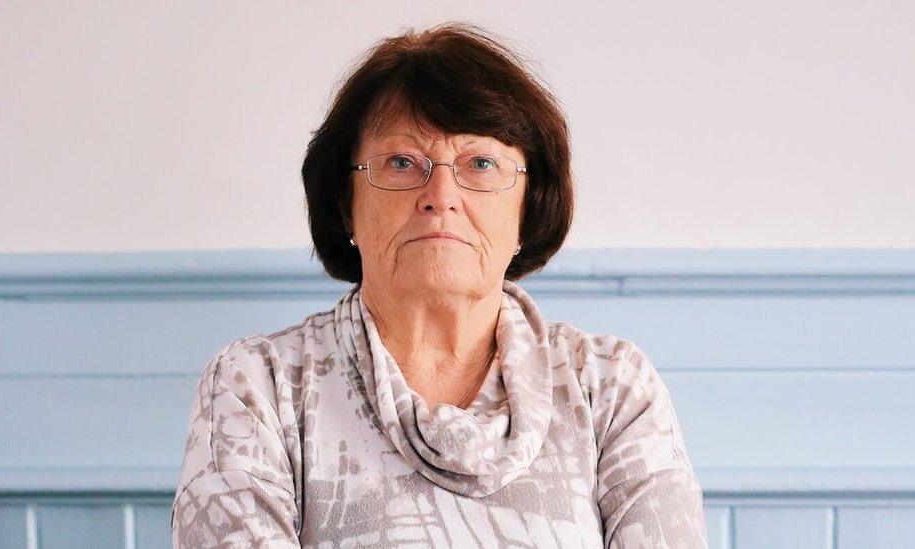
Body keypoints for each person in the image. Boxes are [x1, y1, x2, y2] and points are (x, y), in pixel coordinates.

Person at [170, 21, 708, 548]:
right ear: (345, 206)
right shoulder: (256, 386)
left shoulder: (612, 387)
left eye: (481, 163)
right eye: (402, 162)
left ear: (528, 207)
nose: (441, 195)